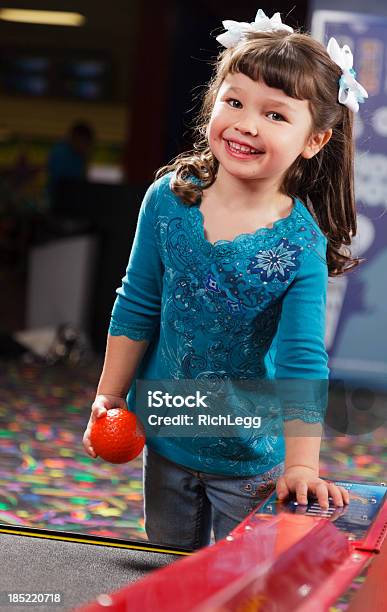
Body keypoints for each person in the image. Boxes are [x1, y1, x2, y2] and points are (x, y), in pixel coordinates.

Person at [83, 8, 367, 549]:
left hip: (249, 456)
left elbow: (303, 357)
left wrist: (303, 465)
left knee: (245, 586)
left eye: (276, 115)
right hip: (166, 435)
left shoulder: (299, 243)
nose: (246, 123)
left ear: (314, 140)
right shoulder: (168, 198)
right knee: (167, 569)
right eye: (233, 101)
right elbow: (137, 303)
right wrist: (110, 399)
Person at [46, 121, 95, 204]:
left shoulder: (79, 157)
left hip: (69, 200)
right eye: (85, 143)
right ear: (75, 138)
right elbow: (60, 181)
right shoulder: (60, 153)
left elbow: (82, 180)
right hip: (58, 200)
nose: (86, 147)